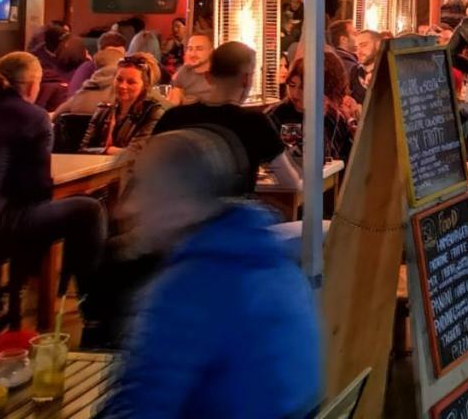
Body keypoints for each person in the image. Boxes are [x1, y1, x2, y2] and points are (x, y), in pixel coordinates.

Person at [98, 128, 321, 419]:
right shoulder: (278, 264)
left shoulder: (186, 292)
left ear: (181, 205)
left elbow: (139, 408)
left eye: (143, 187)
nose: (125, 207)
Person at [0, 52, 106, 319]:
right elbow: (37, 190)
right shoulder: (33, 117)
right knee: (88, 211)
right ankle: (94, 315)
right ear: (32, 85)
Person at [153, 41, 298, 194]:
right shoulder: (255, 123)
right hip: (230, 214)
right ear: (247, 79)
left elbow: (149, 170)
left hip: (173, 213)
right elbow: (291, 183)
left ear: (208, 76)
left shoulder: (173, 117)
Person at [272, 51, 354, 162]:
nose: (295, 94)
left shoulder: (334, 116)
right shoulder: (275, 115)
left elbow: (343, 160)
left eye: (303, 87)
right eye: (292, 85)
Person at [82, 54, 166, 157]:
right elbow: (84, 149)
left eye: (131, 82)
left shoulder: (153, 112)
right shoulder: (103, 110)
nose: (122, 86)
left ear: (145, 86)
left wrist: (108, 150)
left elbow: (137, 154)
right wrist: (109, 150)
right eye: (119, 79)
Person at [67, 31, 128, 97]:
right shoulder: (88, 68)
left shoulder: (127, 70)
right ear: (100, 53)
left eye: (119, 55)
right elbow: (73, 96)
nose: (115, 58)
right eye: (111, 54)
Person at [166, 33, 213, 107]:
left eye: (199, 49)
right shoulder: (185, 70)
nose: (193, 54)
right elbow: (174, 99)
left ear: (210, 51)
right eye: (190, 49)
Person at [350, 29, 384, 105]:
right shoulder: (355, 71)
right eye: (356, 48)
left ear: (378, 45)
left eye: (363, 45)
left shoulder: (389, 70)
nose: (358, 52)